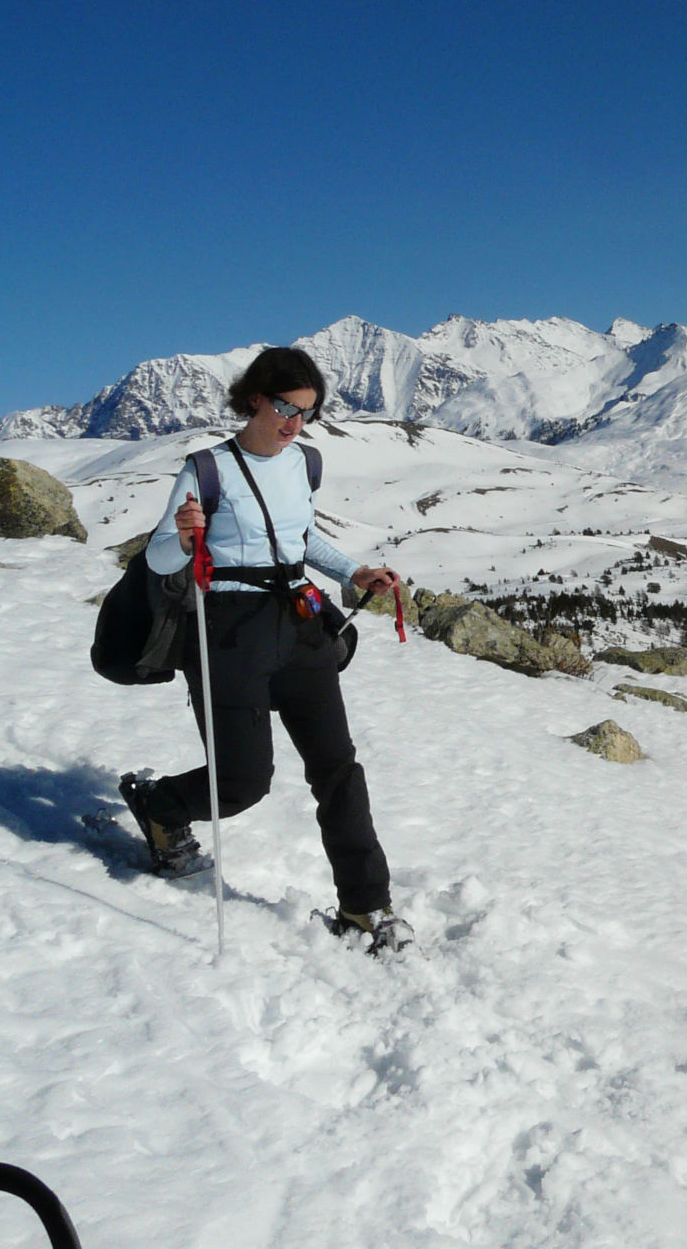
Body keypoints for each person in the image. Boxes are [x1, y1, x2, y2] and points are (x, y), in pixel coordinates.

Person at [118, 346, 412, 955]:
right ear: (254, 398)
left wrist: (354, 572)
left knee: (338, 768)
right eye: (285, 408)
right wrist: (181, 536)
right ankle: (162, 806)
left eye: (305, 413)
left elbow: (302, 536)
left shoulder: (303, 463)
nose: (293, 424)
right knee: (243, 782)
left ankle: (366, 904)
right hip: (228, 629)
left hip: (300, 623)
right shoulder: (207, 471)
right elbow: (158, 560)